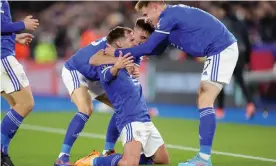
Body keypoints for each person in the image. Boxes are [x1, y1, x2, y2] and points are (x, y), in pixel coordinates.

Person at [104, 1, 238, 166]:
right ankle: (203, 158)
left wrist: (117, 52)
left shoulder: (168, 16)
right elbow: (158, 48)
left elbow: (150, 47)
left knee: (205, 98)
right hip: (219, 49)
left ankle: (203, 159)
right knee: (203, 97)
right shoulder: (169, 19)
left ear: (155, 7)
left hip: (220, 48)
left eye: (146, 14)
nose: (145, 19)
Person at [54, 19, 155, 166]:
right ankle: (62, 157)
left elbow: (130, 68)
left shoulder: (136, 48)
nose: (141, 42)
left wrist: (133, 69)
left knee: (122, 107)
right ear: (133, 31)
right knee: (86, 109)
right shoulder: (120, 37)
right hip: (78, 71)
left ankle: (108, 151)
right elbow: (94, 60)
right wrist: (122, 62)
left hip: (98, 78)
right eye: (141, 38)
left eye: (146, 40)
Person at [73, 26, 169, 166]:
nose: (134, 42)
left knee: (162, 159)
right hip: (130, 119)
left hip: (145, 119)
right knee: (129, 163)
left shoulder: (127, 60)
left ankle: (126, 157)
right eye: (130, 39)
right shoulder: (105, 61)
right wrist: (116, 67)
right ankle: (93, 161)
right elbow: (105, 77)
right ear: (119, 43)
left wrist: (129, 67)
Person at [1, 1, 39, 166]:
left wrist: (14, 37)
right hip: (3, 58)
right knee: (26, 103)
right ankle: (1, 152)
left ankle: (3, 154)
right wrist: (23, 24)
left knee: (16, 105)